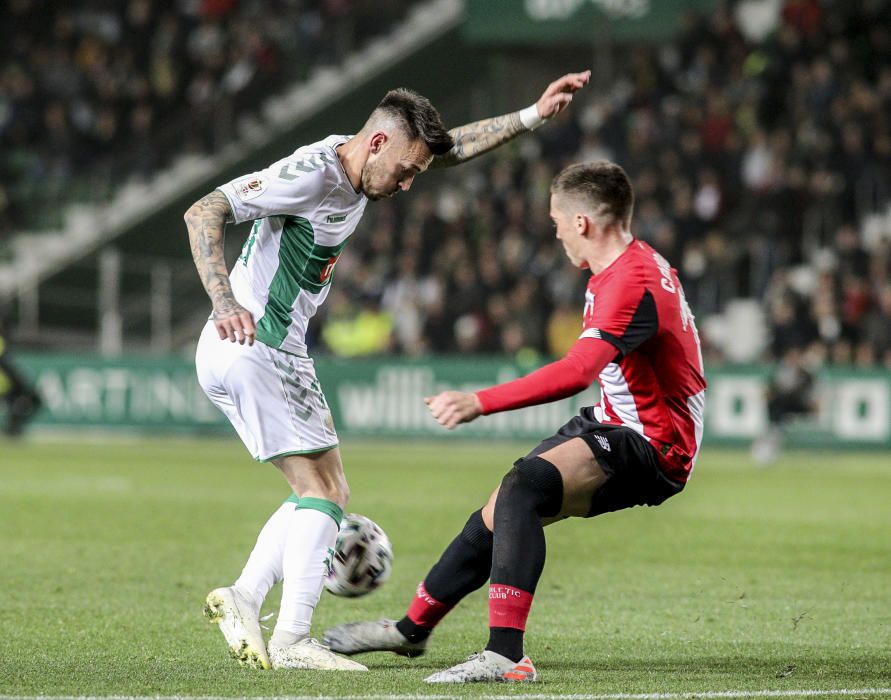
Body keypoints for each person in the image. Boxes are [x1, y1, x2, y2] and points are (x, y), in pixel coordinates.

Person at [184, 71, 591, 672]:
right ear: (376, 142)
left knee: (325, 490)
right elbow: (204, 210)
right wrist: (224, 302)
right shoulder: (313, 174)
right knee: (321, 493)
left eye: (414, 176)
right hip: (254, 343)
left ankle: (244, 596)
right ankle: (294, 640)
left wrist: (531, 114)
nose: (406, 185)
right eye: (404, 171)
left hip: (267, 349)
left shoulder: (360, 166)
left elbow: (450, 151)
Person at [323, 161, 708, 683]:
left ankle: (506, 654)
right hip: (617, 418)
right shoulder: (627, 266)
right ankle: (411, 631)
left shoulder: (629, 282)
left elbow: (577, 371)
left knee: (524, 488)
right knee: (500, 512)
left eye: (556, 220)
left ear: (582, 223)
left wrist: (480, 401)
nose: (553, 231)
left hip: (656, 441)